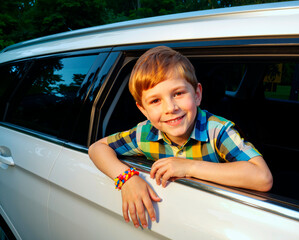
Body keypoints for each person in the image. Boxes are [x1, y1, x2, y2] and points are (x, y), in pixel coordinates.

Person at [88, 46, 273, 229]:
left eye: (178, 93)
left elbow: (262, 177)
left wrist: (188, 166)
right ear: (143, 110)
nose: (170, 108)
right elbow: (97, 148)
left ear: (197, 94)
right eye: (155, 101)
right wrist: (126, 178)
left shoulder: (217, 130)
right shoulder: (144, 134)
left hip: (219, 220)